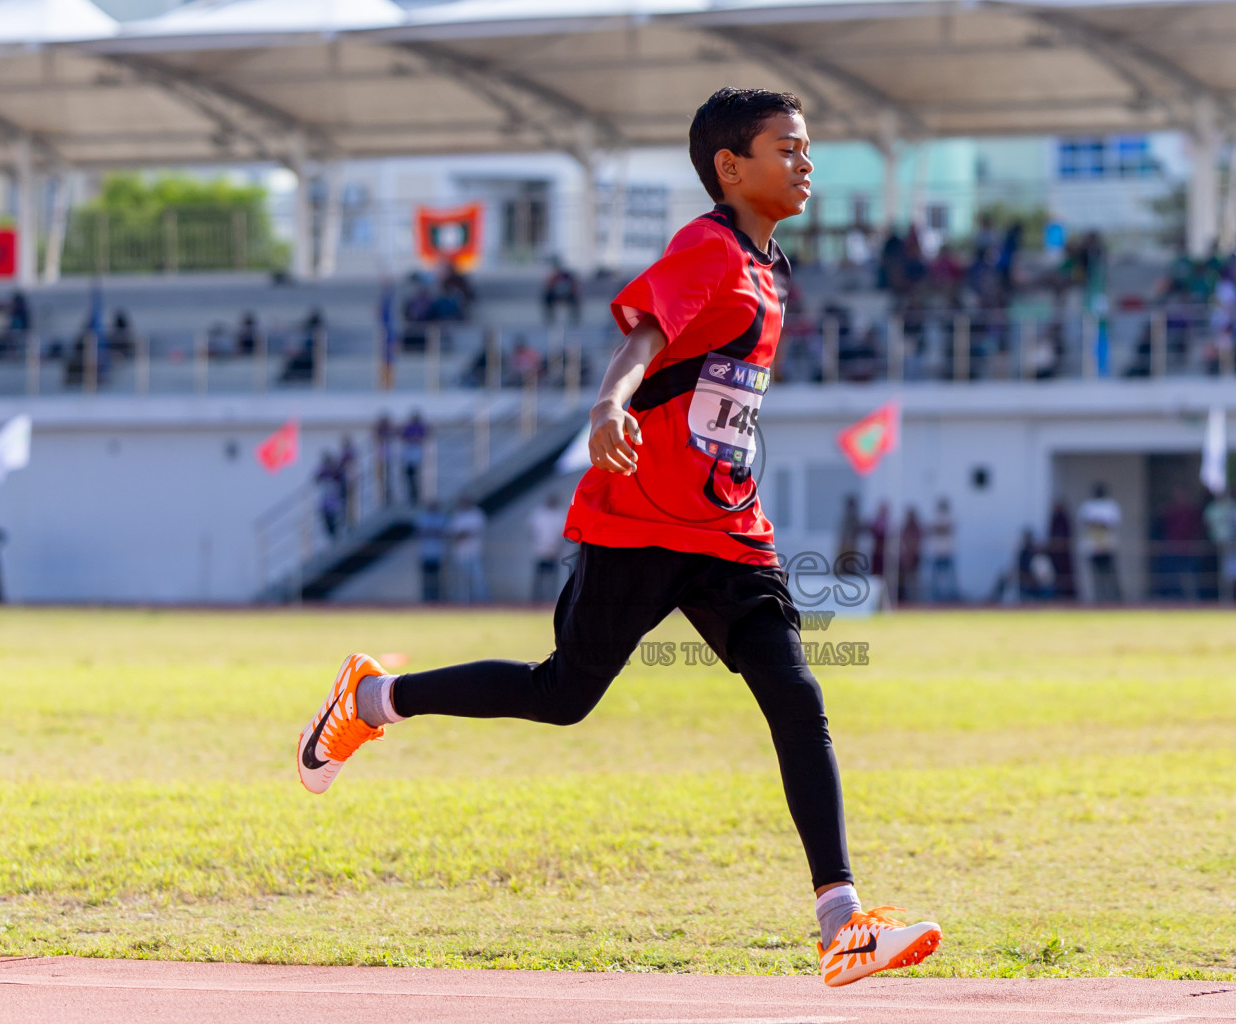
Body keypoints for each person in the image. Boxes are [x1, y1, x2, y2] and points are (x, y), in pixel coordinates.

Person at [294, 87, 940, 989]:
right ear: (730, 166)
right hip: (638, 519)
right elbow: (643, 332)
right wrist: (609, 403)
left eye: (808, 148)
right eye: (787, 148)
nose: (807, 163)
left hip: (729, 529)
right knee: (561, 694)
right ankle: (373, 700)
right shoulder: (707, 247)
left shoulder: (772, 268)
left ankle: (841, 920)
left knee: (796, 696)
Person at [1077, 483, 1122, 603]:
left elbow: (1113, 522)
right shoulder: (1088, 506)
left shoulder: (1110, 505)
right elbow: (1085, 522)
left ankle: (1113, 598)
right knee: (1095, 574)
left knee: (1110, 573)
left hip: (1107, 545)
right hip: (1092, 545)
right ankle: (1099, 599)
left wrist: (1098, 523)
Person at [527, 493, 569, 603]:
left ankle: (550, 601)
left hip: (554, 553)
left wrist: (558, 549)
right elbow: (533, 531)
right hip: (540, 551)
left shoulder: (561, 514)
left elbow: (564, 535)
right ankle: (536, 600)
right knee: (539, 578)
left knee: (552, 580)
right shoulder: (539, 513)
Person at [447, 497, 487, 604]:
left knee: (478, 579)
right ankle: (462, 603)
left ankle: (481, 603)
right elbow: (452, 533)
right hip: (460, 553)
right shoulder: (456, 514)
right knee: (462, 581)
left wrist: (462, 534)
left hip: (474, 552)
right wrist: (463, 534)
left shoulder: (477, 514)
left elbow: (474, 530)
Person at [926, 497, 957, 603]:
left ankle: (951, 597)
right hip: (937, 553)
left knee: (950, 579)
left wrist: (938, 529)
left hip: (948, 552)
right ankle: (935, 597)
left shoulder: (950, 516)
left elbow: (948, 528)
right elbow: (931, 529)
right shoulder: (935, 517)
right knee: (935, 579)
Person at [415, 501, 446, 603]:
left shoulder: (441, 517)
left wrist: (430, 531)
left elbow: (443, 532)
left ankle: (437, 599)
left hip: (438, 554)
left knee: (438, 579)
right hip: (425, 554)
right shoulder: (423, 517)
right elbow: (419, 532)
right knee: (426, 579)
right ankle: (426, 599)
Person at [541, 258, 582, 326]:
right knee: (547, 298)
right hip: (555, 295)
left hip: (567, 295)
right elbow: (548, 287)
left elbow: (575, 286)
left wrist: (572, 289)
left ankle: (575, 319)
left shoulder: (568, 276)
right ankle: (550, 318)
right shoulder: (554, 276)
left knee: (575, 299)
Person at [400, 410, 428, 505]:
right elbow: (404, 436)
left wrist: (415, 439)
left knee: (417, 474)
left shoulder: (420, 426)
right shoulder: (408, 426)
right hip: (409, 451)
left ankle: (417, 496)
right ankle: (411, 496)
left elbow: (423, 436)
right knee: (409, 474)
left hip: (416, 451)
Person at [373, 413, 396, 508]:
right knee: (381, 478)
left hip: (388, 457)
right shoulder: (380, 431)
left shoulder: (389, 431)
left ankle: (389, 497)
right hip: (382, 458)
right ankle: (383, 498)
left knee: (389, 477)